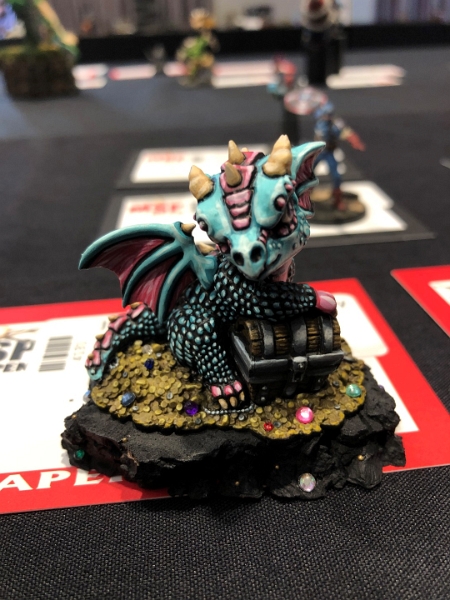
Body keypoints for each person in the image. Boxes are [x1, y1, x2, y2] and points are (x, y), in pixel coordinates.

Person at [313, 102, 365, 209]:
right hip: (318, 152)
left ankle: (337, 199)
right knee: (307, 172)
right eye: (324, 114)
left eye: (328, 115)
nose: (326, 117)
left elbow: (347, 132)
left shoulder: (336, 124)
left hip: (329, 152)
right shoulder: (320, 122)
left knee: (336, 176)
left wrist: (355, 142)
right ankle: (304, 193)